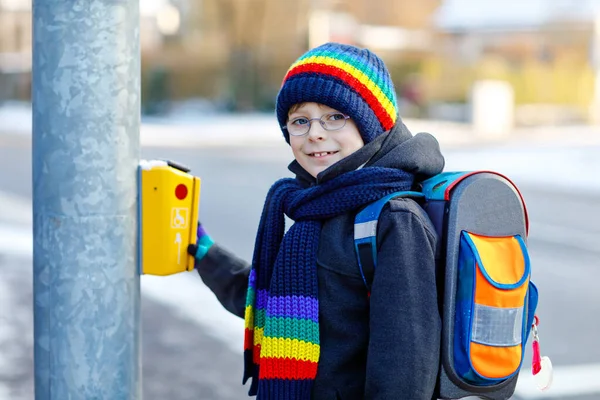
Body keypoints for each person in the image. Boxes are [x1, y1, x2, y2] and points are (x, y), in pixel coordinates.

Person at [187, 42, 445, 400]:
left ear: (373, 124)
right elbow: (274, 302)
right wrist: (205, 255)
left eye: (335, 116)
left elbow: (405, 370)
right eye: (300, 120)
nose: (315, 134)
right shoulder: (312, 207)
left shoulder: (394, 219)